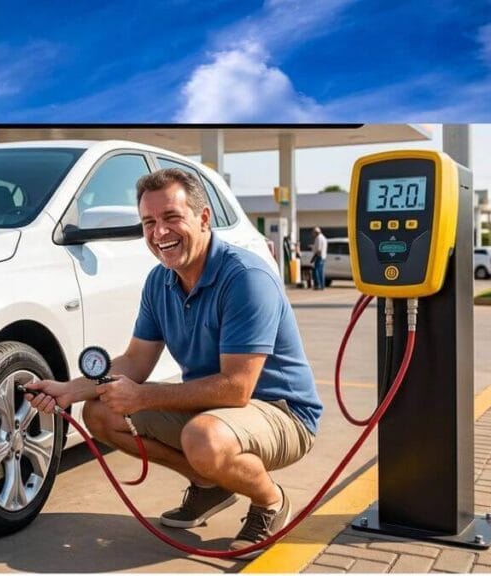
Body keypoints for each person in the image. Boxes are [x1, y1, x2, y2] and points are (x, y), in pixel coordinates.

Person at [25, 169, 322, 557]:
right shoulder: (159, 281)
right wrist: (68, 390)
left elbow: (237, 388)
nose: (159, 232)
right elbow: (135, 360)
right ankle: (210, 485)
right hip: (214, 411)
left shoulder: (245, 278)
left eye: (171, 217)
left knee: (203, 438)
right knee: (99, 413)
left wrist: (142, 397)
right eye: (149, 222)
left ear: (203, 218)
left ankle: (269, 501)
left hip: (282, 412)